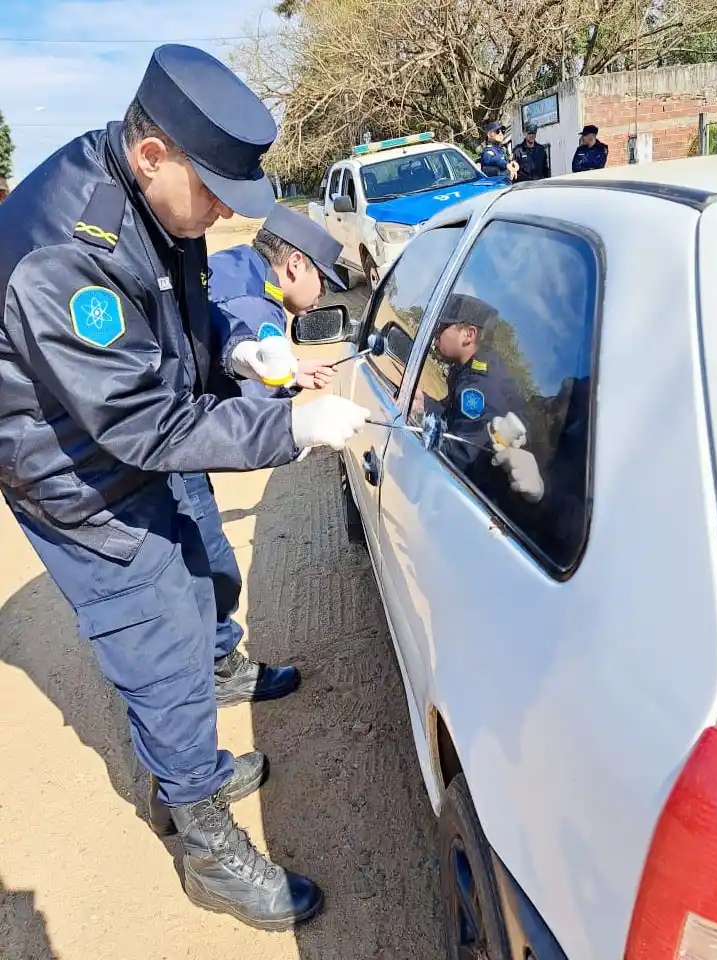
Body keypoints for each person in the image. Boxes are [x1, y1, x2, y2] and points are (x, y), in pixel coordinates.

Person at [0, 43, 370, 931]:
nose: (216, 215)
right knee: (156, 626)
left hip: (131, 424)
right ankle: (203, 838)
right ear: (152, 153)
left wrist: (235, 348)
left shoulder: (158, 201)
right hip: (76, 472)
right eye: (211, 193)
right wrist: (287, 425)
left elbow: (177, 305)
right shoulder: (68, 254)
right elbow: (139, 427)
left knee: (200, 563)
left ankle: (203, 717)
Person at [174, 204, 345, 737]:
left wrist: (290, 372)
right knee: (213, 566)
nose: (322, 294)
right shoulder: (261, 305)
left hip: (154, 422)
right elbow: (251, 390)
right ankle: (217, 668)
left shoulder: (233, 264)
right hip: (164, 438)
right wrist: (300, 424)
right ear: (294, 265)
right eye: (322, 278)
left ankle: (213, 655)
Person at [414, 294, 543, 502]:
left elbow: (463, 454)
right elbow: (453, 414)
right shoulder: (470, 369)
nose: (436, 334)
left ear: (468, 335)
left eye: (443, 327)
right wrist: (425, 403)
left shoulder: (479, 384)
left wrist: (419, 436)